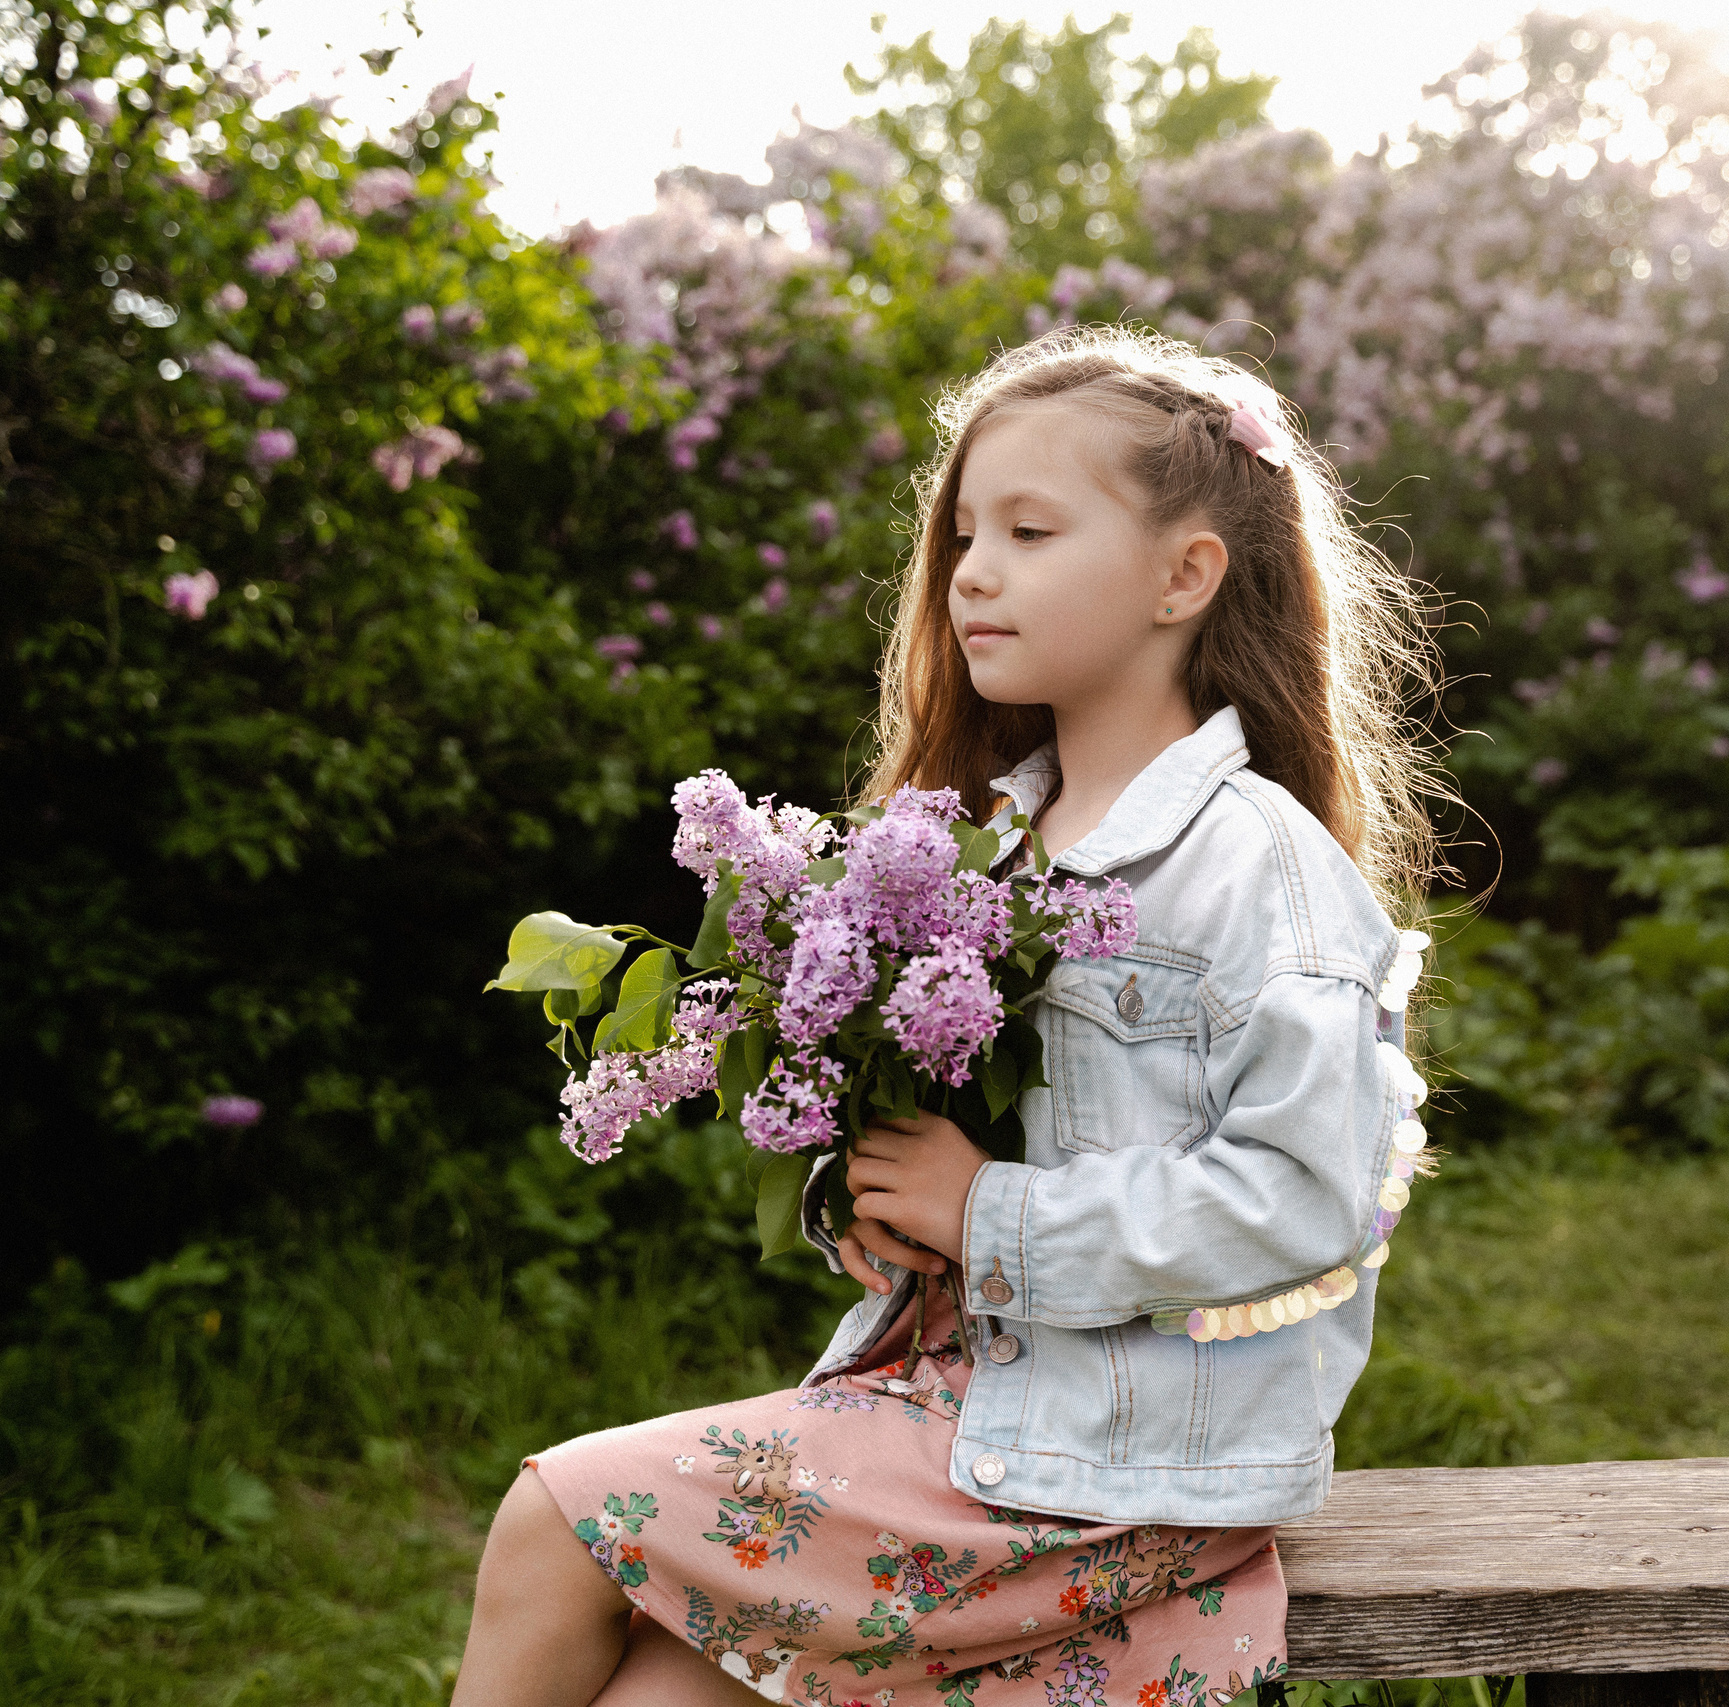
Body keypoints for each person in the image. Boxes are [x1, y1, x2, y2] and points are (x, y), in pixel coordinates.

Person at [454, 326, 1441, 1707]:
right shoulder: (991, 848)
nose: (973, 570)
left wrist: (989, 1217)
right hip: (974, 1412)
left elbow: (1306, 1199)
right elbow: (987, 1156)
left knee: (554, 1519)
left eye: (1031, 531)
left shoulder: (1259, 867)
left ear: (1186, 576)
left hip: (1120, 1463)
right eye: (966, 532)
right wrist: (880, 1204)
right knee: (660, 1694)